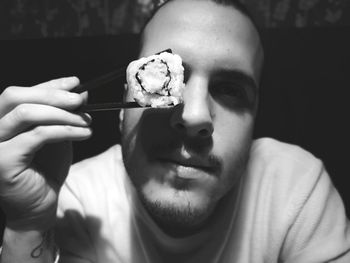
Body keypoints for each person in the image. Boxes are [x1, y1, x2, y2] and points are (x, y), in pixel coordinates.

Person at [0, 0, 349, 262]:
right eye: (162, 77)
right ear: (123, 111)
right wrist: (27, 224)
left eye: (230, 90)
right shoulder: (74, 199)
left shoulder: (297, 189)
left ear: (254, 121)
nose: (195, 116)